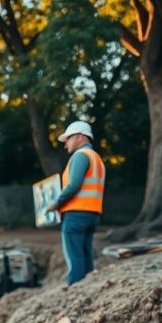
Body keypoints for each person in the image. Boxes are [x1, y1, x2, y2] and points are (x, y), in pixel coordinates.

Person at [45, 120, 106, 285]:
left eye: (68, 139)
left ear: (80, 137)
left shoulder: (80, 156)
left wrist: (56, 203)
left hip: (76, 214)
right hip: (92, 214)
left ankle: (74, 290)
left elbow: (74, 185)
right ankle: (87, 289)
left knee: (75, 256)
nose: (66, 145)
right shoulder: (96, 158)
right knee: (85, 254)